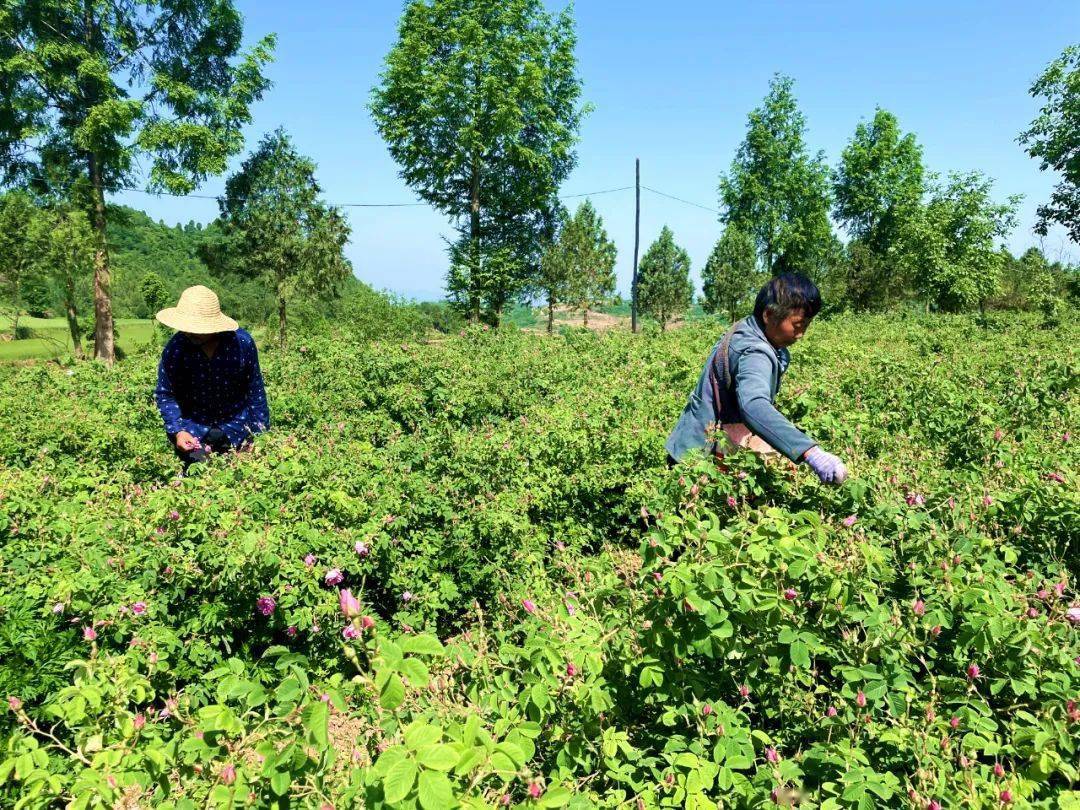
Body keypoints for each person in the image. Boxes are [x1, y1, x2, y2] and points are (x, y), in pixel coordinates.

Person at [666, 273, 847, 484]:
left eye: (806, 326)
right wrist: (810, 452)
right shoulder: (755, 352)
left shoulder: (746, 328)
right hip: (699, 461)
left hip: (691, 447)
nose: (801, 335)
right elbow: (754, 405)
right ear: (769, 315)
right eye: (798, 325)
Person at [154, 285, 270, 470]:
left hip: (238, 429)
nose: (190, 333)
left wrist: (261, 437)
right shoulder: (176, 349)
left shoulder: (241, 344)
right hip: (193, 434)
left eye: (198, 329)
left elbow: (255, 390)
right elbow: (165, 394)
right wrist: (178, 431)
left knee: (239, 486)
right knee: (198, 487)